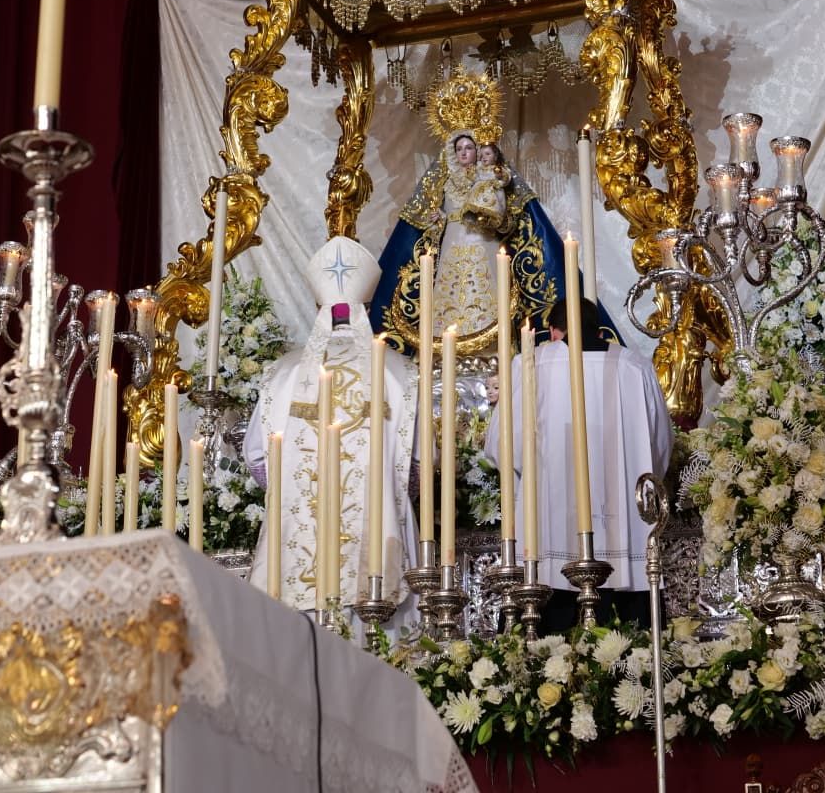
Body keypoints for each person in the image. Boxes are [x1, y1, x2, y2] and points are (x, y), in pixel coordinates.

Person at [370, 71, 613, 357]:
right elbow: (434, 224)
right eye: (459, 148)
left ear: (479, 150)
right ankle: (445, 348)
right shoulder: (445, 182)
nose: (464, 152)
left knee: (489, 293)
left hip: (483, 243)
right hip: (452, 248)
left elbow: (507, 219)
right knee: (448, 295)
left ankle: (492, 352)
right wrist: (438, 222)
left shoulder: (490, 178)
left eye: (469, 147)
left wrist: (490, 212)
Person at [245, 237, 419, 619]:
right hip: (382, 543)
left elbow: (257, 459)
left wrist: (297, 490)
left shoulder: (282, 372)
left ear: (317, 308)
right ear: (367, 308)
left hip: (294, 544)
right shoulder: (399, 370)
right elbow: (420, 463)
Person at [487, 296, 670, 629]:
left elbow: (504, 446)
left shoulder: (531, 364)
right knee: (629, 644)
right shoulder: (636, 366)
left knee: (546, 642)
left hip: (548, 534)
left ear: (554, 332)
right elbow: (658, 447)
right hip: (625, 538)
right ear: (599, 330)